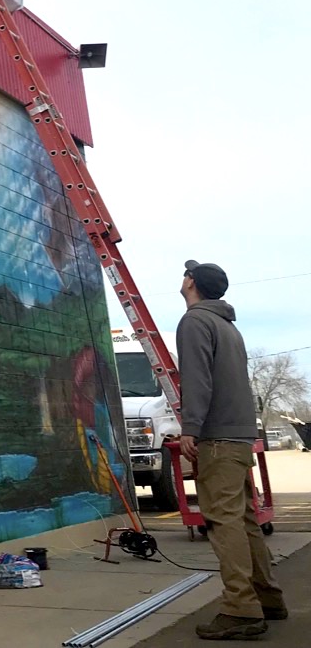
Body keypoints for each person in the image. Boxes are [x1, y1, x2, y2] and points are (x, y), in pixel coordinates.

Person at [176, 259, 286, 640]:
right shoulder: (227, 325)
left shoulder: (194, 322)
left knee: (223, 521)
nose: (183, 277)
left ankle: (240, 609)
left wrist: (190, 428)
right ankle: (267, 597)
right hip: (239, 435)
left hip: (218, 438)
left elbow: (197, 380)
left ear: (192, 283)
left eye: (186, 274)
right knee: (244, 519)